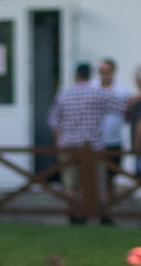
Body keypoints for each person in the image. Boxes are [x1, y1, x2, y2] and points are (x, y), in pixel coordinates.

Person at [50, 62, 118, 223]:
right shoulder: (98, 94)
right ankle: (104, 216)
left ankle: (74, 215)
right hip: (93, 145)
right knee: (99, 184)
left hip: (69, 145)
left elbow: (54, 122)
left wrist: (60, 141)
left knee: (70, 184)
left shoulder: (63, 95)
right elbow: (121, 107)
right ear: (90, 75)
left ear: (75, 75)